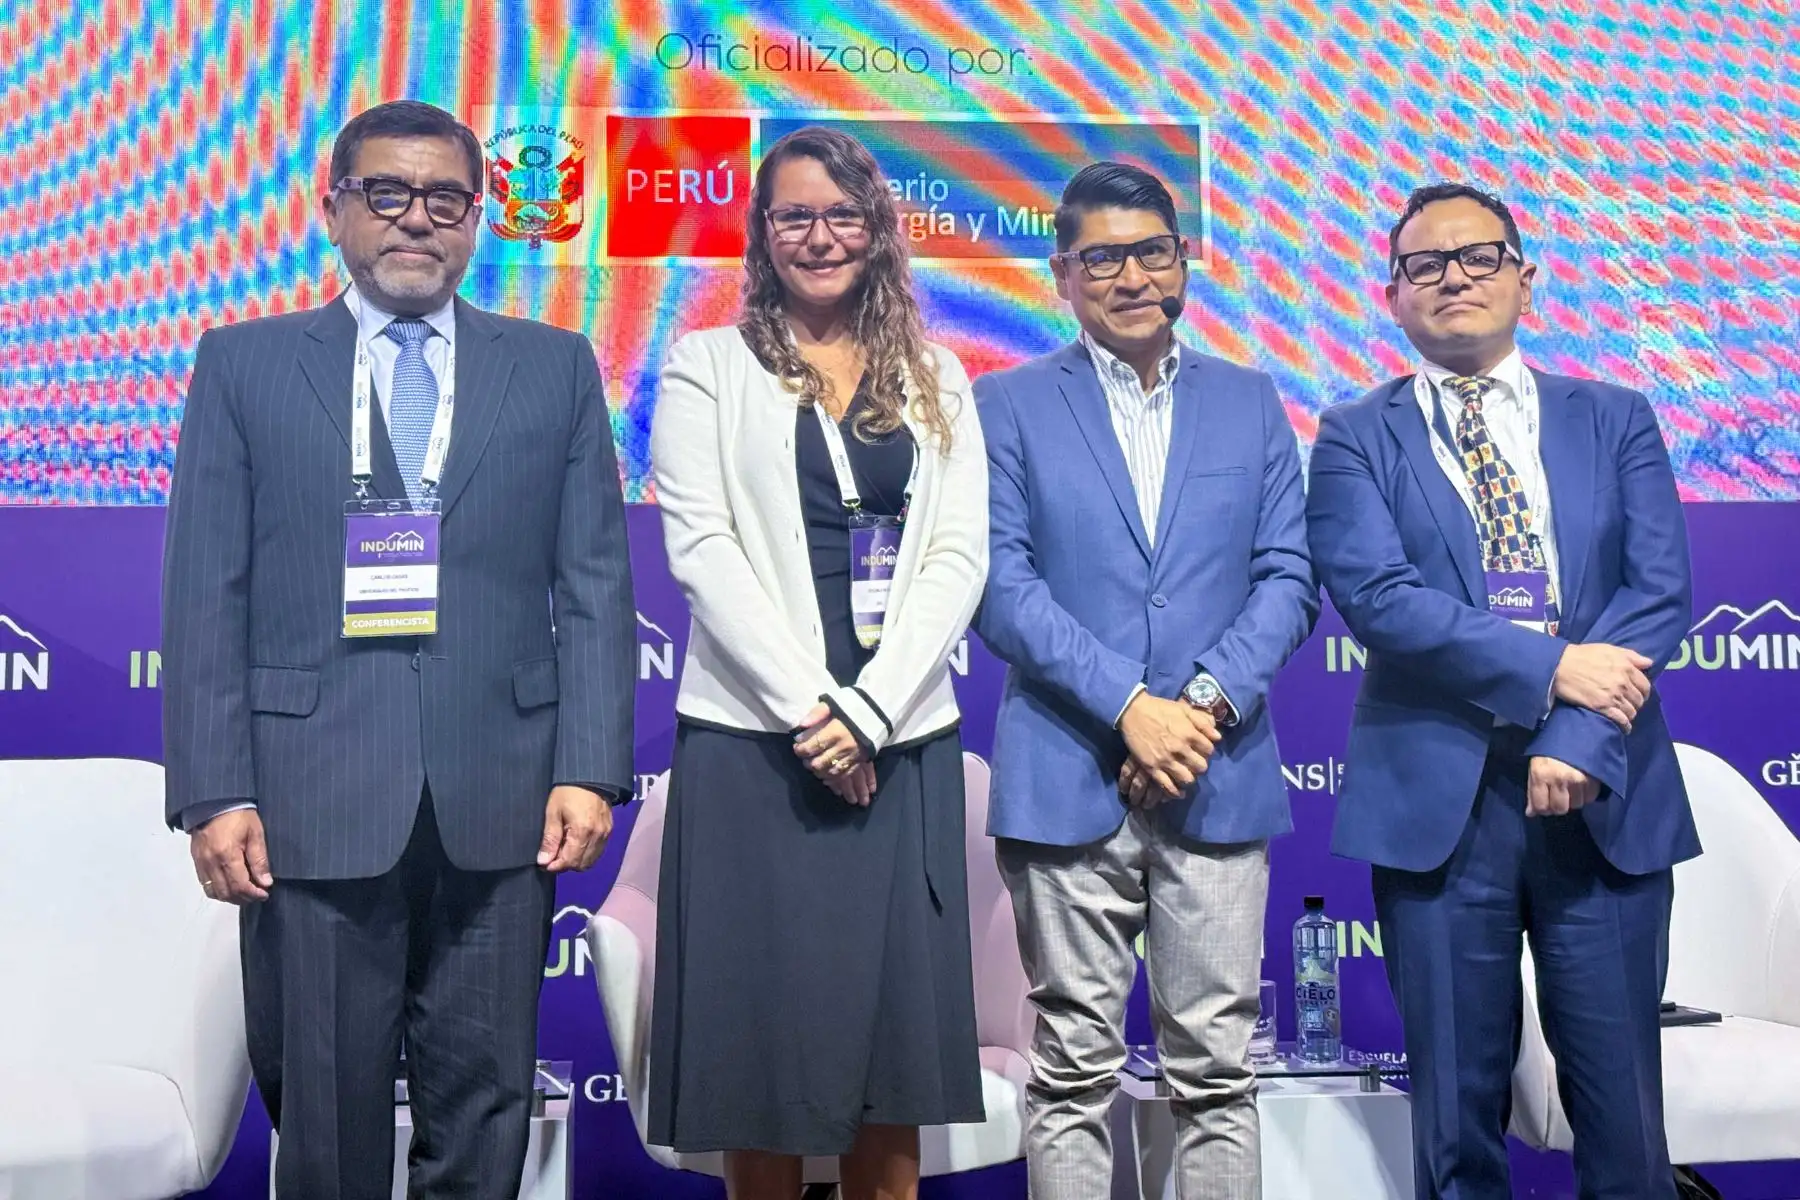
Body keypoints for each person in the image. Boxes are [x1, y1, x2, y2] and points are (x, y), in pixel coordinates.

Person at [161, 100, 636, 1199]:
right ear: (333, 210)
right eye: (387, 193)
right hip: (305, 797)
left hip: (502, 791)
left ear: (477, 220)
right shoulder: (244, 364)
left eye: (444, 200)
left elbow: (599, 582)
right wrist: (213, 790)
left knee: (486, 1111)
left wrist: (587, 765)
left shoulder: (554, 367)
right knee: (323, 1120)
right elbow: (203, 593)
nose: (415, 219)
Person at [1307, 182, 1698, 1200]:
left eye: (1478, 257)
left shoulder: (1614, 417)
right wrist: (1552, 667)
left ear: (1526, 278)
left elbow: (1658, 593)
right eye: (1425, 266)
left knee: (1624, 1124)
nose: (1454, 279)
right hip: (1440, 808)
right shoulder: (1355, 434)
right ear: (1393, 297)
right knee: (1456, 1127)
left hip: (1602, 795)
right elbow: (1379, 599)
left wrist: (1576, 730)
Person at [646, 126, 988, 1200]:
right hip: (757, 745)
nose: (820, 236)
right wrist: (815, 714)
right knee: (761, 1064)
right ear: (762, 234)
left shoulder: (937, 375)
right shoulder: (706, 364)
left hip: (901, 742)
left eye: (843, 215)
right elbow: (701, 549)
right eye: (794, 215)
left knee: (892, 1068)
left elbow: (957, 553)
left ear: (879, 230)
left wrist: (872, 713)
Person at [973, 162, 1318, 1200]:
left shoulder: (1252, 401)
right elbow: (1000, 581)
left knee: (1215, 1073)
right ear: (1063, 274)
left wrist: (1200, 709)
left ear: (1183, 262)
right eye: (1104, 258)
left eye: (1152, 251)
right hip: (1068, 770)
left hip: (1218, 773)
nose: (1132, 276)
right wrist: (1131, 707)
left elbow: (1288, 577)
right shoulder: (1006, 402)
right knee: (1072, 1068)